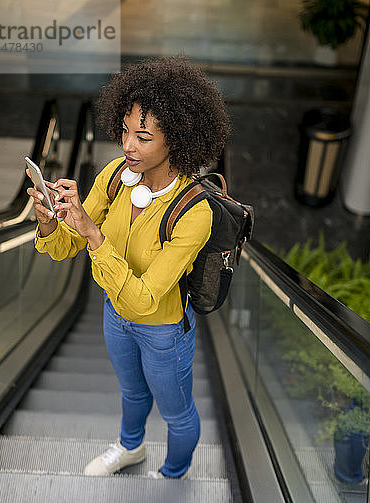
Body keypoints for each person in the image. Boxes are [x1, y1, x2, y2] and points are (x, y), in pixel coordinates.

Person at [28, 55, 231, 479]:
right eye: (124, 130)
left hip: (162, 332)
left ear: (175, 139)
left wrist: (93, 234)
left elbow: (141, 299)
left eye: (143, 136)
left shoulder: (194, 212)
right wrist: (52, 222)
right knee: (131, 392)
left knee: (177, 412)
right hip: (114, 316)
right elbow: (68, 247)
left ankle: (172, 473)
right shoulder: (118, 175)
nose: (127, 146)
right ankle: (130, 448)